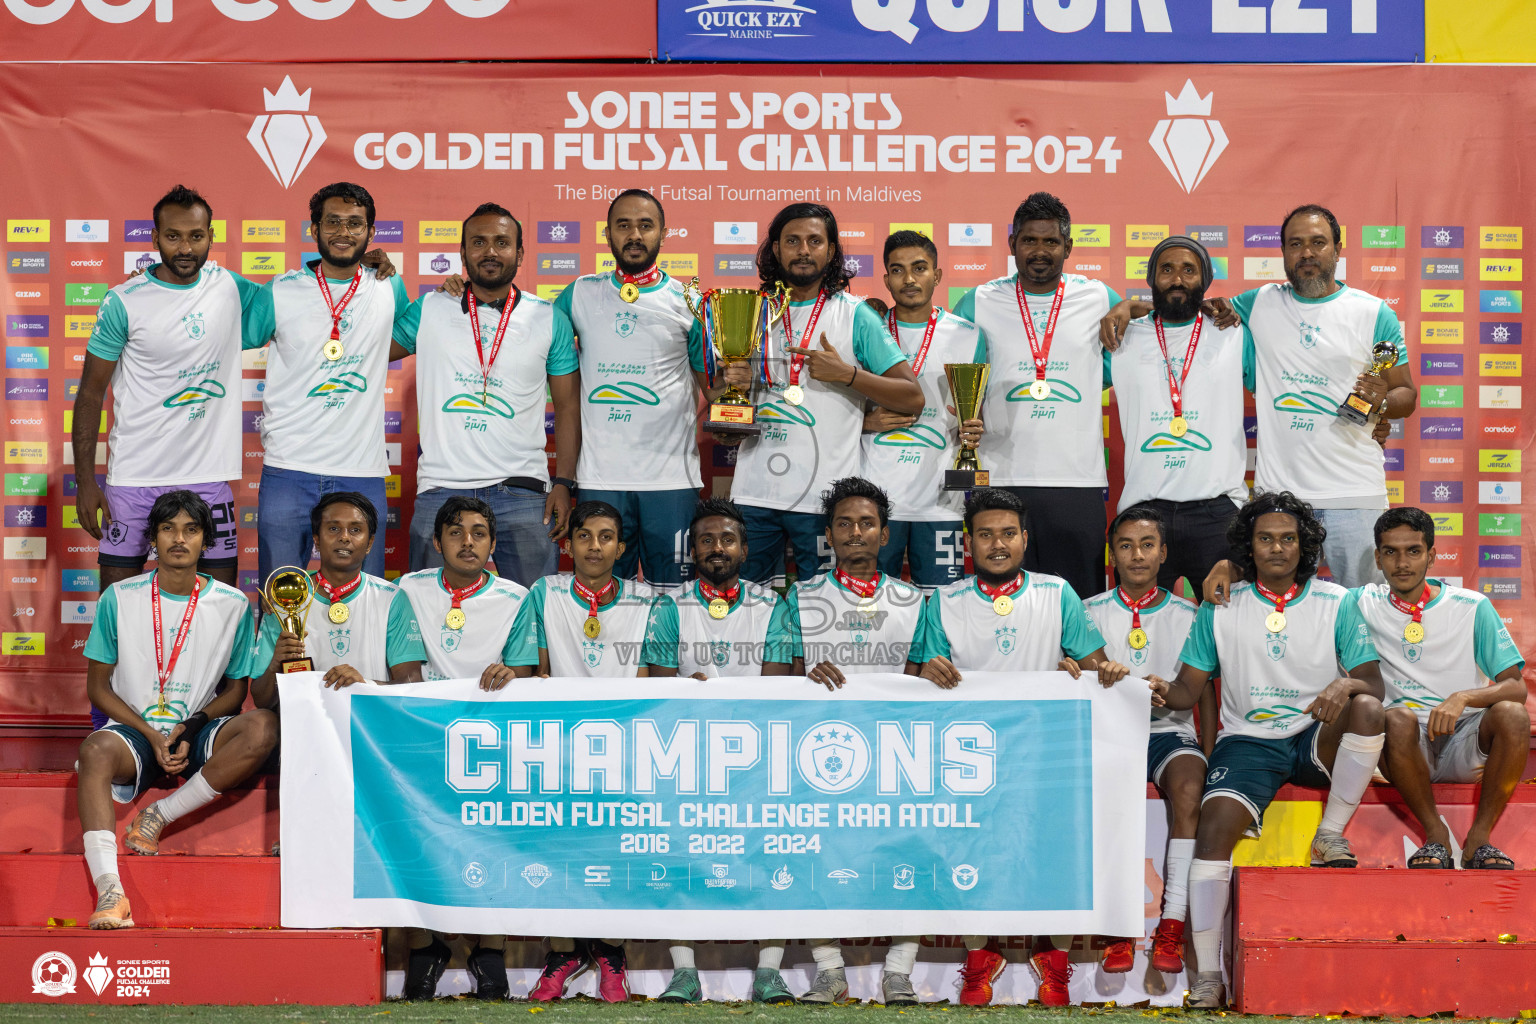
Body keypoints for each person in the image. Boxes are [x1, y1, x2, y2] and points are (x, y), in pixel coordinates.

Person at [1150, 491, 1385, 1008]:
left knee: (1368, 708)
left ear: (1304, 546)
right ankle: (1209, 975)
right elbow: (1187, 691)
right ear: (1247, 548)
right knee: (1212, 832)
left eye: (1288, 538)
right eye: (1265, 538)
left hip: (1314, 734)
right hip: (1248, 743)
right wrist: (1149, 688)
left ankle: (1330, 835)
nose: (1277, 547)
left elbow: (1372, 681)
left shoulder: (1337, 601)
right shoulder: (1221, 607)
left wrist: (1343, 687)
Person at [915, 487, 1125, 1007]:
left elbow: (1096, 666)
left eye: (1008, 533)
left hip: (1041, 751)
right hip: (969, 757)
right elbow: (916, 681)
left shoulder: (1057, 593)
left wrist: (1100, 669)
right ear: (969, 544)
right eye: (985, 535)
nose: (998, 544)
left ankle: (1054, 957)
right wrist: (926, 671)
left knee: (1054, 850)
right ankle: (978, 953)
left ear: (1025, 539)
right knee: (971, 852)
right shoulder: (942, 601)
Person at [74, 490, 275, 928]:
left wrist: (189, 725)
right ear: (153, 539)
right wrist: (150, 733)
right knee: (93, 752)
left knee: (261, 728)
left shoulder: (233, 605)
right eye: (168, 529)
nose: (179, 539)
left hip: (197, 729)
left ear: (206, 541)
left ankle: (158, 815)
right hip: (135, 732)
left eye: (191, 530)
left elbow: (236, 692)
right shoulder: (120, 597)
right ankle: (111, 891)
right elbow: (97, 688)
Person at [507, 500, 680, 1003]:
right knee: (557, 849)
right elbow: (531, 671)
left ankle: (610, 953)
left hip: (627, 752)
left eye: (607, 537)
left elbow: (660, 685)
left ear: (622, 548)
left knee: (618, 851)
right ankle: (562, 952)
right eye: (585, 536)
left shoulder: (653, 603)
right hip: (559, 748)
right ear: (569, 544)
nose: (595, 546)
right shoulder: (545, 592)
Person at [1206, 204, 1416, 590]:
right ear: (1283, 252)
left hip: (1354, 494)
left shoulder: (1373, 313)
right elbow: (1190, 316)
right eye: (1295, 244)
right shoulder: (1259, 303)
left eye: (1318, 243)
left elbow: (1407, 393)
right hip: (1279, 500)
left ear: (1338, 248)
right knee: (1277, 613)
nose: (1306, 253)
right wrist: (1132, 306)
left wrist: (1382, 402)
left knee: (1365, 613)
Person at [780, 477, 926, 1006]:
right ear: (829, 535)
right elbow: (776, 677)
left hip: (894, 754)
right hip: (818, 756)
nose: (855, 532)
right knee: (811, 855)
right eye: (844, 523)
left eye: (866, 523)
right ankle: (829, 969)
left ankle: (900, 972)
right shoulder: (799, 597)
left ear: (885, 534)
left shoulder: (914, 601)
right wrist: (802, 677)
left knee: (909, 856)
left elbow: (924, 677)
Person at [73, 186, 262, 590]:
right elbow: (90, 394)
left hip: (208, 478)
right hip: (134, 478)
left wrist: (363, 272)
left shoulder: (230, 288)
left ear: (211, 235)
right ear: (155, 238)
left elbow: (305, 302)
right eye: (173, 236)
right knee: (117, 606)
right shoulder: (123, 300)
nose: (185, 247)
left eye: (196, 236)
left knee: (220, 608)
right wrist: (87, 482)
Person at [724, 203, 922, 587]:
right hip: (754, 495)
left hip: (827, 501)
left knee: (829, 611)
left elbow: (912, 397)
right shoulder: (750, 312)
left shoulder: (856, 315)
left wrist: (847, 375)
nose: (803, 250)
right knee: (746, 609)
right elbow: (726, 414)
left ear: (831, 252)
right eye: (792, 241)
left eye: (815, 241)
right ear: (775, 249)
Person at [394, 203, 580, 585]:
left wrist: (564, 483)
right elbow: (366, 347)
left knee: (533, 616)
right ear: (463, 253)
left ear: (520, 253)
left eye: (502, 242)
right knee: (427, 613)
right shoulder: (429, 307)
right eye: (478, 242)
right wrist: (380, 278)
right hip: (442, 489)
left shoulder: (549, 318)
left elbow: (567, 406)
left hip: (523, 493)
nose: (490, 252)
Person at [657, 497, 795, 1005]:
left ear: (744, 547)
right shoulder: (668, 605)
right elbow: (656, 684)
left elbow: (777, 685)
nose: (718, 548)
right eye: (707, 540)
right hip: (686, 755)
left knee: (770, 857)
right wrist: (684, 690)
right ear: (691, 549)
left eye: (728, 539)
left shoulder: (772, 605)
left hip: (756, 756)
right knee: (679, 857)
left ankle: (769, 971)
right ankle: (684, 972)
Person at [392, 495, 530, 1002]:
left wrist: (513, 673)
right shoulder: (408, 588)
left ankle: (489, 948)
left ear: (493, 545)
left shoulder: (518, 597)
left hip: (490, 742)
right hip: (425, 735)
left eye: (478, 533)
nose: (466, 541)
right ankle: (426, 946)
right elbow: (403, 670)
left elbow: (527, 674)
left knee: (495, 834)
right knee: (412, 831)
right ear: (436, 541)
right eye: (455, 532)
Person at [950, 193, 1121, 600]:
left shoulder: (1099, 299)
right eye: (1029, 241)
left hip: (1075, 482)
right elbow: (955, 384)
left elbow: (1122, 364)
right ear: (1012, 244)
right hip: (999, 479)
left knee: (1078, 608)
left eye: (1051, 242)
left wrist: (1132, 304)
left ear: (1068, 247)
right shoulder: (977, 301)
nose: (1040, 252)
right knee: (1002, 605)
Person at [250, 181, 412, 585]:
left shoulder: (389, 285)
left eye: (355, 224)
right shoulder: (281, 290)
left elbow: (395, 342)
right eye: (333, 222)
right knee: (279, 596)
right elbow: (219, 326)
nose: (344, 232)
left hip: (361, 468)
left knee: (366, 599)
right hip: (289, 467)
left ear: (371, 233)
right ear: (314, 229)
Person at [552, 189, 707, 587]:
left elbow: (716, 388)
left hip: (670, 482)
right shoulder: (580, 293)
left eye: (645, 225)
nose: (634, 234)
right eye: (623, 225)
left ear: (663, 233)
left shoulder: (689, 301)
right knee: (599, 597)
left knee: (674, 599)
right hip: (600, 480)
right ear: (607, 235)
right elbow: (526, 332)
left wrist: (737, 381)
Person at [1082, 507, 1212, 978]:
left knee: (1188, 787)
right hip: (1111, 732)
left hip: (1169, 732)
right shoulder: (1088, 610)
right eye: (1125, 546)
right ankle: (1118, 929)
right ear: (1111, 553)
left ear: (1163, 553)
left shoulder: (1189, 614)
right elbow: (1069, 674)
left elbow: (1207, 689)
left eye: (1147, 545)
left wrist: (1209, 750)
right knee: (1109, 798)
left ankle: (1171, 924)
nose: (1137, 555)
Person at [1361, 507, 1528, 870]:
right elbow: (1296, 589)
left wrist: (1463, 697)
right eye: (1390, 552)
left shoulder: (1471, 606)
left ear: (1433, 556)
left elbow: (1516, 687)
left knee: (1513, 715)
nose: (1402, 563)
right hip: (1403, 748)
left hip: (1464, 741)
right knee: (1397, 718)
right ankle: (1436, 836)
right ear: (1377, 557)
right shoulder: (1360, 603)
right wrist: (1228, 568)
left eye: (1414, 551)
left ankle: (1479, 840)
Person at [1102, 237, 1248, 597]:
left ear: (1206, 280)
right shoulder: (1120, 336)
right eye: (1166, 270)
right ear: (1152, 278)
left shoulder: (1235, 332)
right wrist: (1128, 306)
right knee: (1139, 635)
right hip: (1144, 512)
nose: (1177, 279)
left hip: (1217, 513)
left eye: (1188, 270)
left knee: (1226, 637)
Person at [862, 230, 987, 591]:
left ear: (937, 275)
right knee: (871, 606)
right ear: (886, 278)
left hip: (939, 500)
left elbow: (978, 410)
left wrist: (975, 430)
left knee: (941, 606)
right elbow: (842, 403)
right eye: (898, 270)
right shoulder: (864, 328)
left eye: (919, 268)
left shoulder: (968, 335)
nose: (909, 279)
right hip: (875, 498)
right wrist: (865, 422)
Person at [249, 492, 425, 705]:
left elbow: (412, 683)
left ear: (370, 543)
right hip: (305, 721)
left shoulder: (392, 599)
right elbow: (261, 700)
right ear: (316, 540)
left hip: (369, 723)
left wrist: (364, 685)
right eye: (333, 528)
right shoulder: (287, 598)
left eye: (355, 530)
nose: (344, 537)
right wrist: (276, 663)